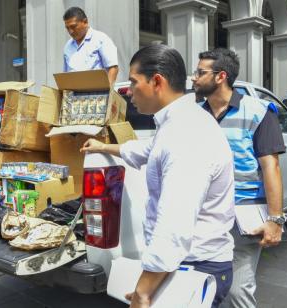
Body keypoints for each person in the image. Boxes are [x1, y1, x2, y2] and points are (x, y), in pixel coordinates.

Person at [81, 44, 235, 308]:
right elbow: (147, 150)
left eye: (133, 81)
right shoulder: (177, 123)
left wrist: (143, 291)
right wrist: (103, 147)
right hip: (178, 264)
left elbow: (174, 223)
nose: (128, 91)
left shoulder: (185, 132)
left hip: (193, 266)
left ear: (157, 81)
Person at [192, 48, 287, 308]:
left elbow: (271, 168)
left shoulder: (257, 112)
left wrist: (275, 220)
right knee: (202, 287)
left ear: (221, 76)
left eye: (200, 72)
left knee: (236, 292)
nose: (194, 78)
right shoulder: (196, 115)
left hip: (240, 215)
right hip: (202, 215)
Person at [63, 6, 119, 85]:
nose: (70, 31)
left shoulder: (100, 39)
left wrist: (108, 92)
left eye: (73, 26)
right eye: (67, 28)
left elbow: (113, 68)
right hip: (74, 96)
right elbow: (66, 76)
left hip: (97, 94)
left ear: (85, 22)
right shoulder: (67, 46)